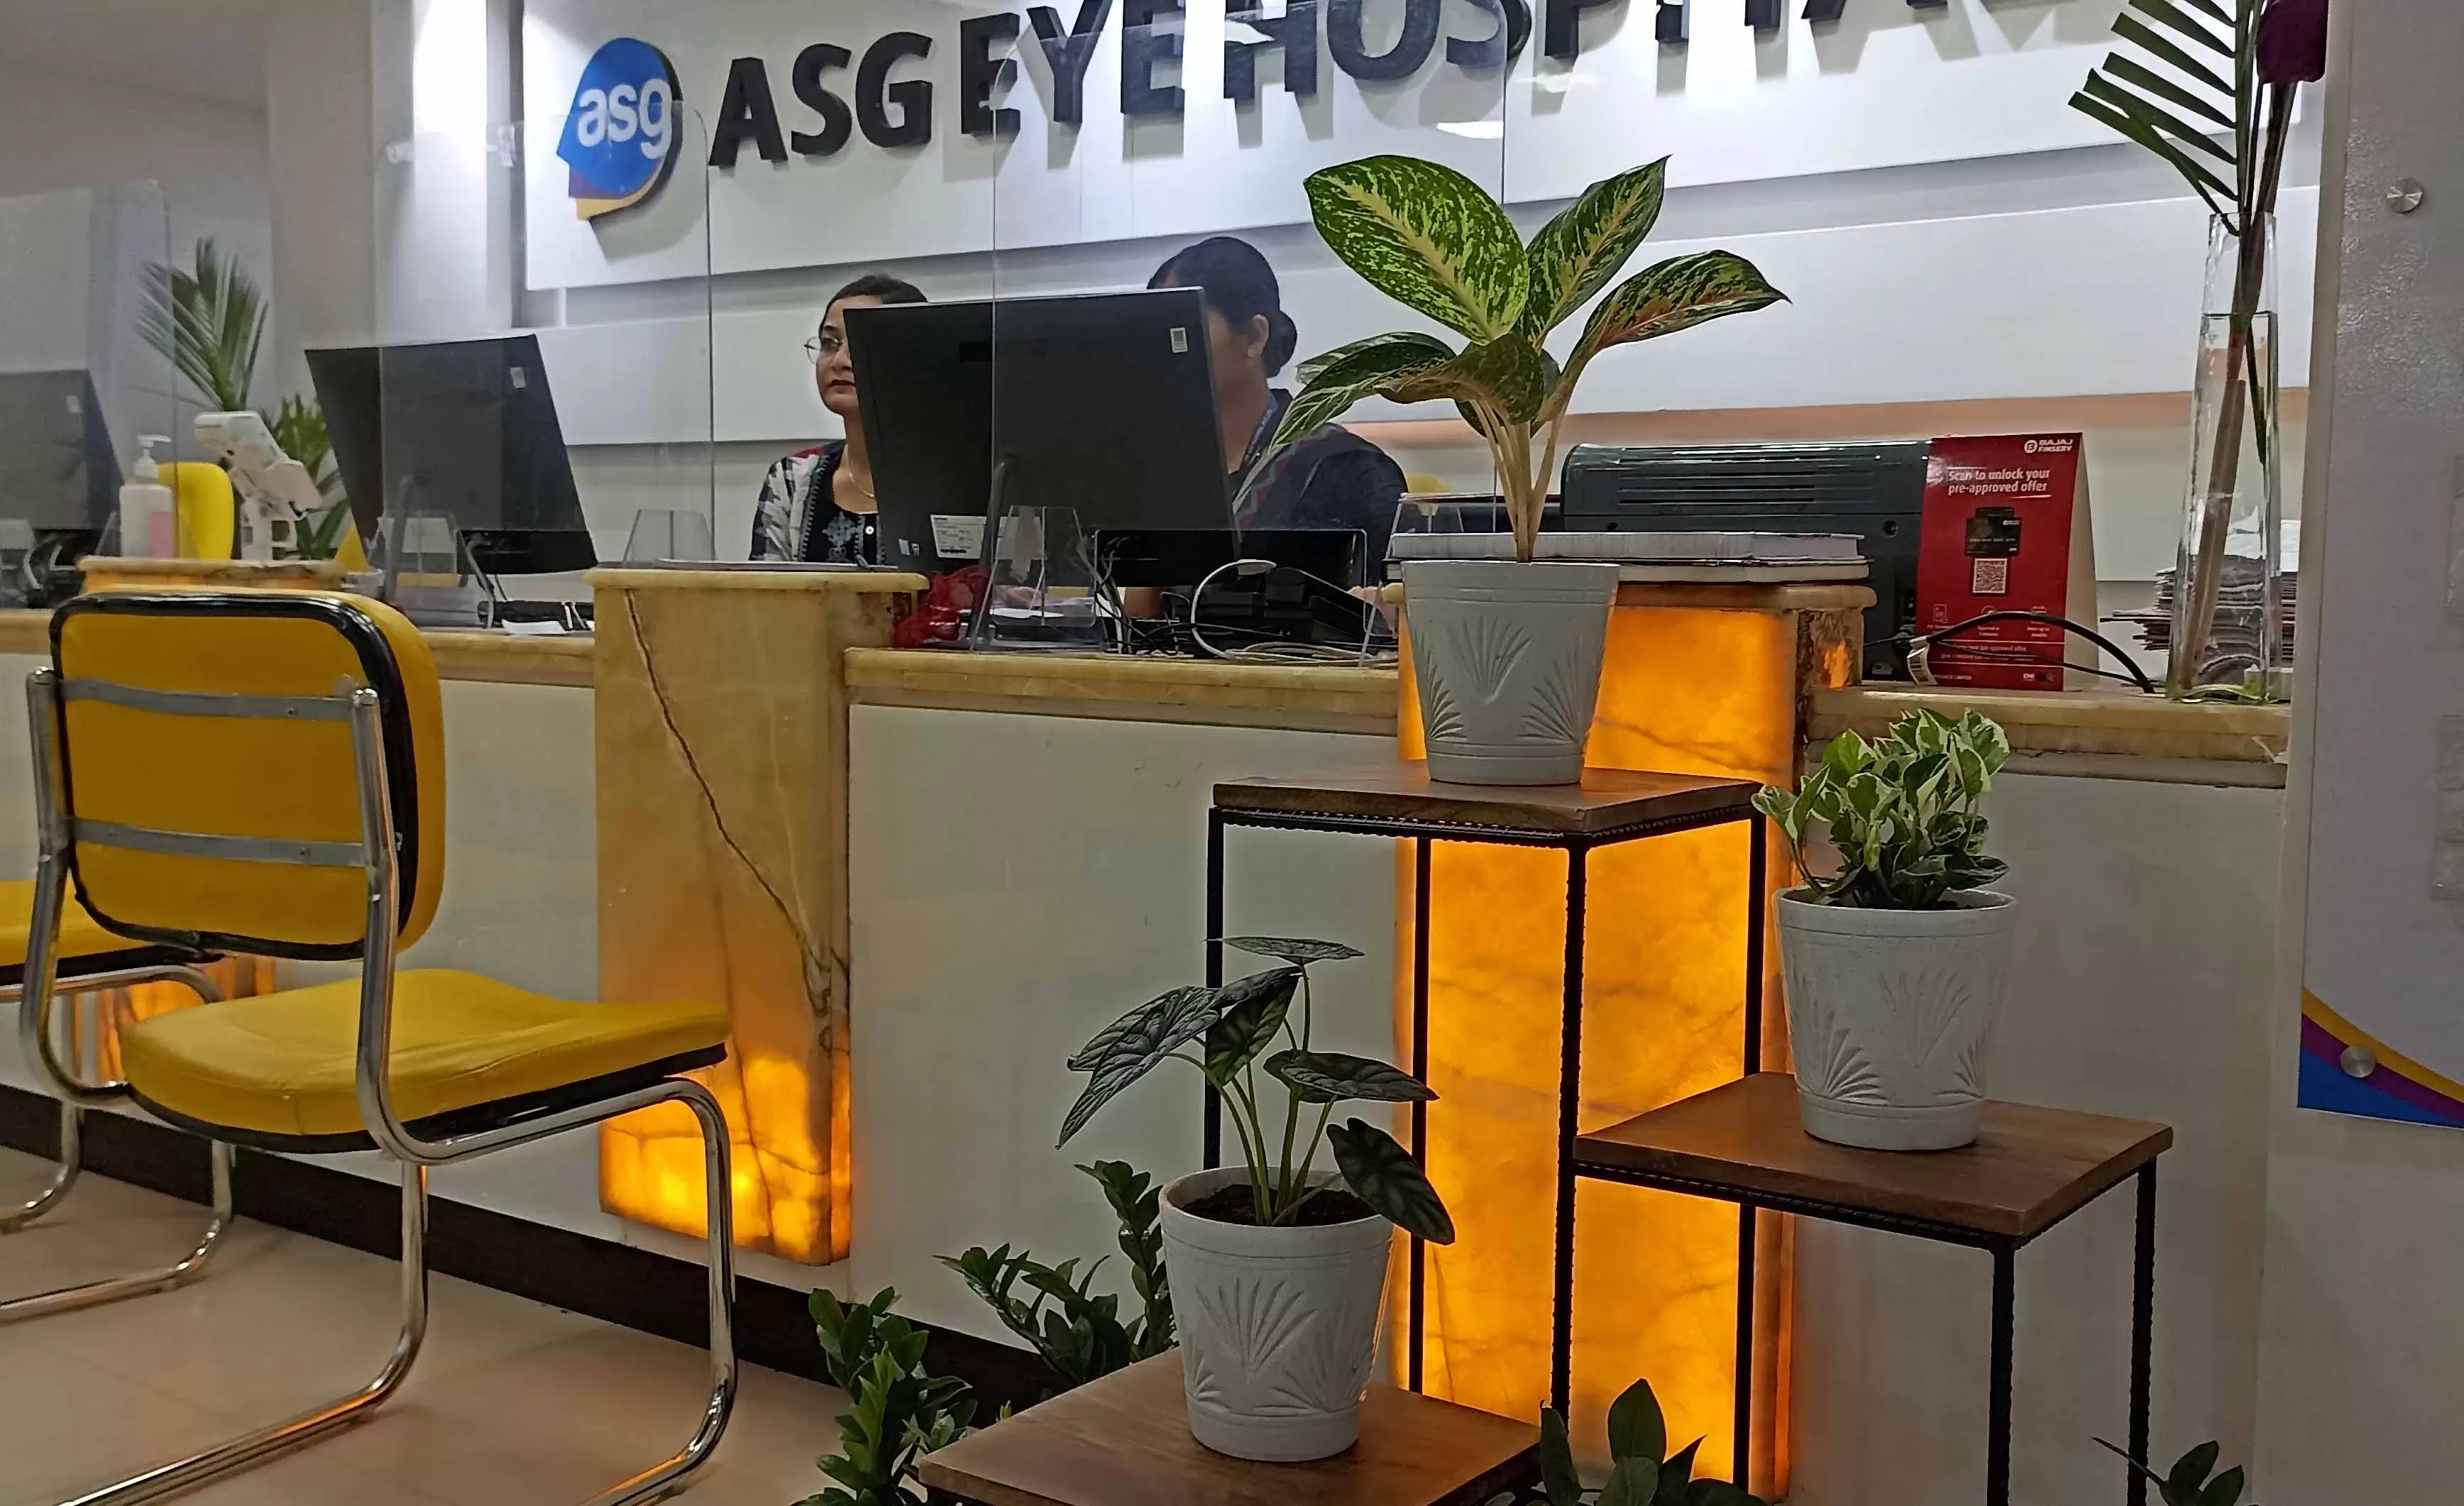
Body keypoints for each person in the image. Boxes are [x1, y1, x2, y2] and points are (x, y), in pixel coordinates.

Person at [1148, 236, 1406, 575]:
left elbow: (1390, 603)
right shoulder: (1171, 467)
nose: (1165, 352)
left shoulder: (1349, 471)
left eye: (1181, 331)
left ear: (1255, 336)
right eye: (1155, 332)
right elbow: (1144, 603)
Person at [750, 273, 926, 564]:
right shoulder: (792, 479)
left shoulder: (965, 483)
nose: (840, 361)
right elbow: (765, 591)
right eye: (830, 343)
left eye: (861, 342)